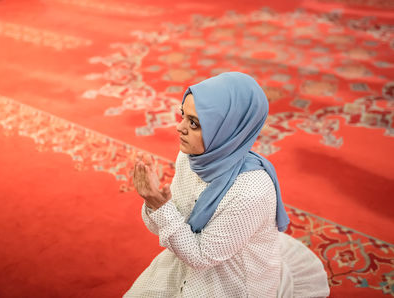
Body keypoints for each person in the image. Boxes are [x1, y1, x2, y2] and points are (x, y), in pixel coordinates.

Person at [126, 72, 330, 297]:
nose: (179, 127)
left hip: (234, 282)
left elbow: (201, 257)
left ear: (227, 129)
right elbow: (169, 225)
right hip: (188, 254)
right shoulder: (190, 158)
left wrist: (161, 206)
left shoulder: (251, 191)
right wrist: (154, 202)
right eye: (183, 115)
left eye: (194, 123)